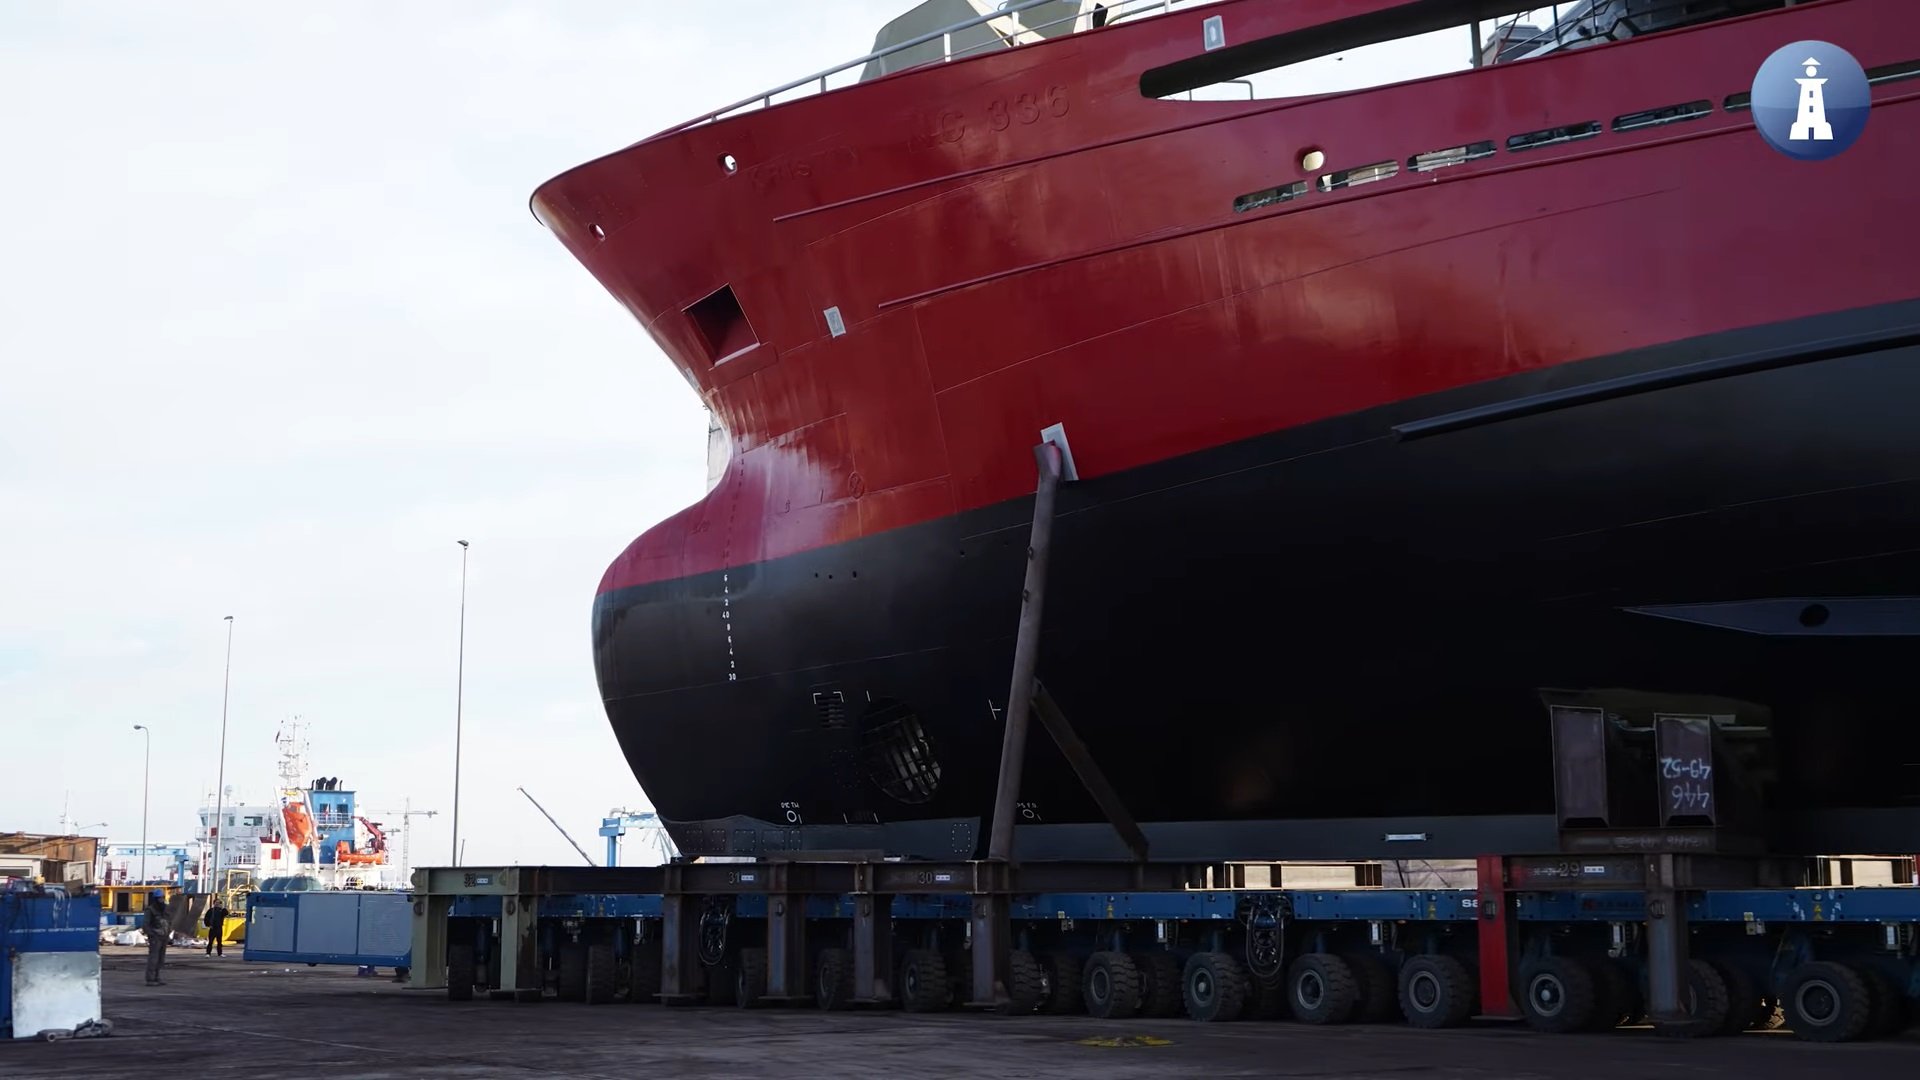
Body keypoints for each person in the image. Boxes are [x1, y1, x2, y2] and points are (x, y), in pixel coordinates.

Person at [144, 889, 171, 985]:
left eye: (162, 898)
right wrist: (151, 934)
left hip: (164, 936)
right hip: (155, 937)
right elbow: (146, 924)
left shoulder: (165, 908)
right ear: (155, 899)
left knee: (161, 959)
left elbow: (169, 921)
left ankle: (157, 977)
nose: (161, 900)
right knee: (154, 958)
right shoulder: (150, 910)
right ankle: (150, 979)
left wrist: (169, 933)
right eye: (159, 898)